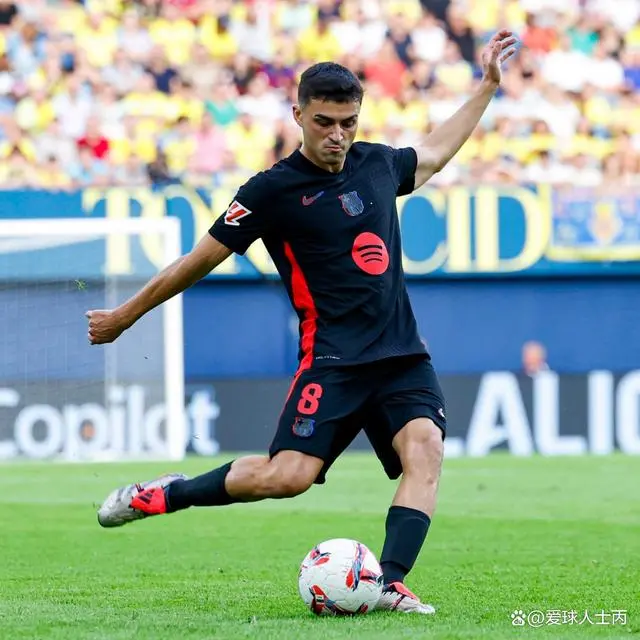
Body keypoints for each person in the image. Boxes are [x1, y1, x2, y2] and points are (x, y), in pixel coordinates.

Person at [89, 31, 518, 615]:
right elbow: (198, 261)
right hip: (333, 361)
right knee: (285, 477)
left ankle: (389, 582)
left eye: (348, 122)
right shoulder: (270, 192)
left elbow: (437, 152)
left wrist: (487, 87)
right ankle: (169, 493)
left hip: (401, 356)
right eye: (324, 122)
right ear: (298, 116)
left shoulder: (377, 164)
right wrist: (124, 316)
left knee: (427, 449)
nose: (338, 135)